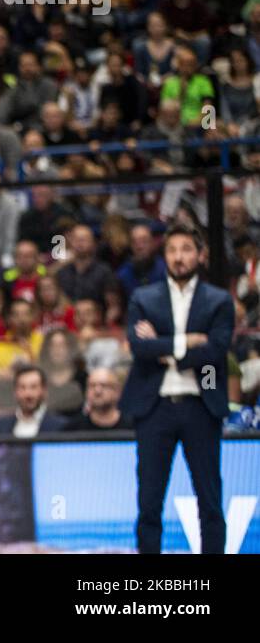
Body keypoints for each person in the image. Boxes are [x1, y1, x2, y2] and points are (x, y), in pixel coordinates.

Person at [122, 223, 234, 554]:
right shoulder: (144, 297)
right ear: (164, 256)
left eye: (186, 249)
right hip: (154, 407)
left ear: (200, 255)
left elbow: (215, 350)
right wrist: (187, 341)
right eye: (172, 250)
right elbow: (139, 349)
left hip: (201, 405)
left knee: (210, 499)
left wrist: (163, 346)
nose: (178, 257)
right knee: (149, 502)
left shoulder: (218, 300)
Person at [0, 365, 69, 436]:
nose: (28, 394)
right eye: (22, 387)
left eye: (33, 387)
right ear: (15, 392)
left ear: (44, 391)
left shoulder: (61, 426)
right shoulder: (1, 425)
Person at [66, 368, 133, 431]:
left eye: (104, 385)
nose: (97, 391)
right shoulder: (72, 429)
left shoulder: (133, 426)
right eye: (92, 386)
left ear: (117, 391)